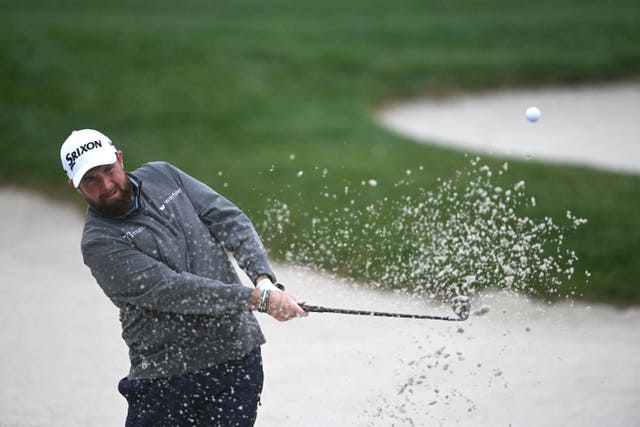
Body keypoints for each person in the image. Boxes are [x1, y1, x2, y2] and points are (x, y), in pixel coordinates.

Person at [60, 129, 307, 426]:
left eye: (108, 170)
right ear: (75, 184)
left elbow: (227, 218)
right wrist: (258, 299)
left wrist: (264, 280)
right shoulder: (99, 242)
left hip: (237, 356)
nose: (107, 184)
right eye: (91, 180)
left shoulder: (162, 175)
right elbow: (173, 290)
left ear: (120, 159)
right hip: (166, 378)